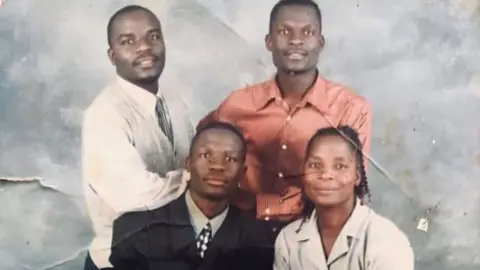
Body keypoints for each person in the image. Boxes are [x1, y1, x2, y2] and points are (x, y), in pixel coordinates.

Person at [197, 0, 372, 240]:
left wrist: (262, 205)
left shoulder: (351, 108)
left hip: (317, 233)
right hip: (241, 234)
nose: (296, 40)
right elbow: (201, 157)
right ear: (269, 41)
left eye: (307, 32)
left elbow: (348, 188)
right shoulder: (236, 105)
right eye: (284, 31)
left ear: (321, 43)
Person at [81, 5, 194, 270]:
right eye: (128, 41)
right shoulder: (105, 114)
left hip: (170, 257)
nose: (144, 47)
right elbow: (136, 196)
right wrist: (195, 180)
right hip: (119, 261)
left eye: (153, 37)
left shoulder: (175, 103)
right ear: (112, 56)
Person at [109, 121, 274, 270]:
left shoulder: (261, 240)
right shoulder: (134, 230)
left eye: (230, 158)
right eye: (206, 155)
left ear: (242, 173)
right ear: (188, 164)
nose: (217, 166)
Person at [274, 126, 414, 270]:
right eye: (315, 165)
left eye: (340, 166)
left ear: (357, 176)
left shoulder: (387, 240)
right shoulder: (288, 240)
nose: (325, 175)